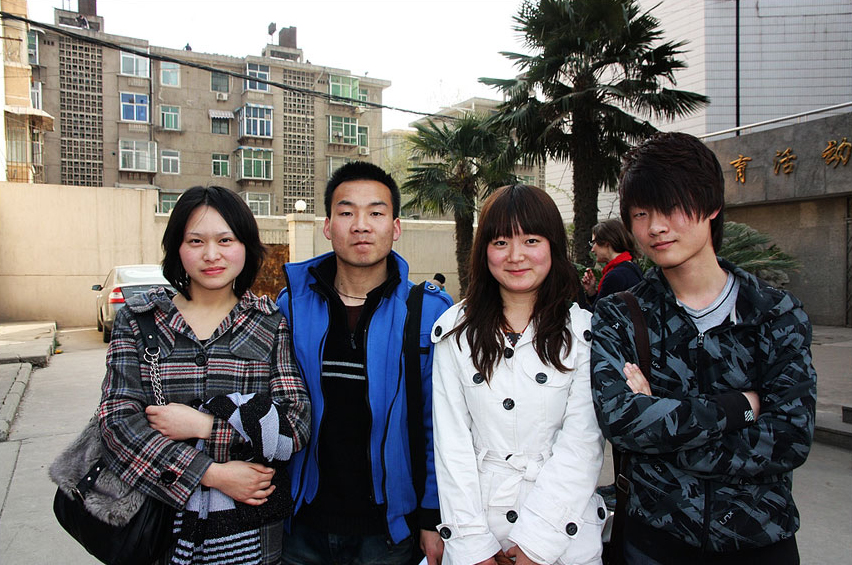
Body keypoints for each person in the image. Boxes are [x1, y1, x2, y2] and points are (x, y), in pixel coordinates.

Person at [590, 132, 817, 564]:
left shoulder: (773, 312)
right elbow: (621, 421)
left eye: (670, 207)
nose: (655, 227)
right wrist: (740, 408)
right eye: (640, 213)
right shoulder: (620, 314)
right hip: (654, 541)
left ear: (711, 204)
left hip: (759, 540)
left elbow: (789, 438)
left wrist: (662, 430)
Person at [98, 186, 311, 564]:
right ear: (177, 248)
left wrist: (205, 426)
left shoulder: (269, 323)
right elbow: (117, 424)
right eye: (196, 241)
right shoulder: (140, 320)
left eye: (225, 240)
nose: (211, 255)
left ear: (245, 246)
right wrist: (208, 473)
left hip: (251, 540)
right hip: (158, 533)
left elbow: (295, 426)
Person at [276, 161, 453, 564]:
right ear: (327, 226)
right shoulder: (291, 307)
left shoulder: (426, 312)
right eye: (346, 213)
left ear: (396, 226)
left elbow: (439, 424)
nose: (361, 225)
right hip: (302, 527)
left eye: (375, 212)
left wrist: (432, 515)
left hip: (388, 533)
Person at [431, 184, 606, 565]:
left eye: (531, 240)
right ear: (484, 250)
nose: (515, 256)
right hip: (481, 527)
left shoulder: (583, 333)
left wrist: (535, 545)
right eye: (500, 242)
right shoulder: (455, 332)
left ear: (552, 246)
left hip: (564, 533)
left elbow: (582, 444)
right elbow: (451, 446)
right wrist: (474, 547)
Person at [581, 218, 643, 309]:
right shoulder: (631, 267)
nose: (592, 249)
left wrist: (577, 296)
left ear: (606, 243)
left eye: (594, 243)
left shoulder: (615, 276)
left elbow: (597, 314)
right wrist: (591, 291)